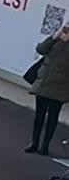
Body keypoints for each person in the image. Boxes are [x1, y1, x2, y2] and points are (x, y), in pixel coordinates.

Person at [30, 25, 69, 155]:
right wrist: (55, 37)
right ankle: (34, 143)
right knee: (39, 115)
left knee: (52, 116)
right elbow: (41, 49)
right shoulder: (56, 40)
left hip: (60, 86)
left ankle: (45, 146)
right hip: (44, 83)